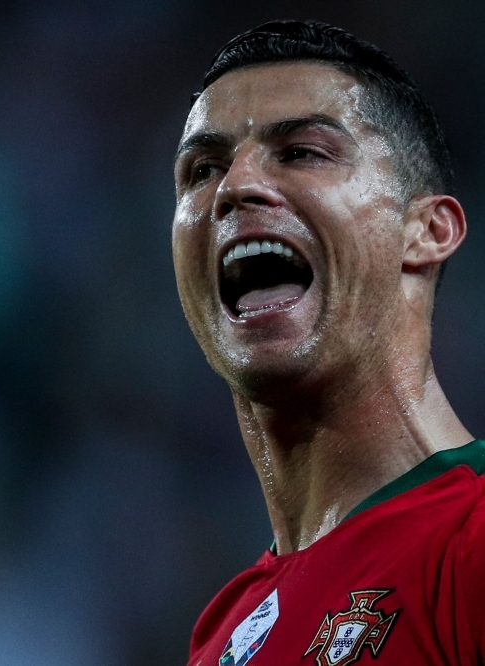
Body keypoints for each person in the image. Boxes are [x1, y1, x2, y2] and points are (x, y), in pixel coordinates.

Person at [171, 20, 485, 666]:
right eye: (203, 169)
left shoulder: (471, 538)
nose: (234, 188)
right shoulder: (222, 635)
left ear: (425, 230)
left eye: (303, 152)